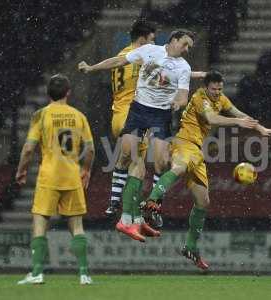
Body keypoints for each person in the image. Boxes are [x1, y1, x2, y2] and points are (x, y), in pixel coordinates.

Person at [141, 71, 271, 269]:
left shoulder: (221, 99)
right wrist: (237, 122)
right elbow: (212, 119)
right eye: (213, 89)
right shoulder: (199, 98)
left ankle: (190, 246)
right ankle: (151, 201)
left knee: (203, 201)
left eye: (220, 89)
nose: (217, 92)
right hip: (184, 142)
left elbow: (240, 114)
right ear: (206, 87)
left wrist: (260, 129)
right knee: (178, 168)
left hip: (197, 152)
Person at [78, 29, 200, 241]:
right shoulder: (149, 51)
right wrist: (91, 68)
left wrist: (177, 104)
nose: (187, 50)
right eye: (185, 44)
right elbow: (118, 61)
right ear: (174, 40)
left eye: (189, 47)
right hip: (138, 110)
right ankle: (121, 207)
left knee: (162, 162)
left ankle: (152, 206)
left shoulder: (183, 67)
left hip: (161, 114)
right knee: (128, 156)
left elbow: (182, 96)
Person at [15, 74, 95, 284]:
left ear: (48, 93)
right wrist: (86, 169)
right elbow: (90, 149)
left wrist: (21, 170)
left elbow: (29, 147)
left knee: (40, 223)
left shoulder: (41, 115)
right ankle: (84, 273)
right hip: (72, 175)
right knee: (76, 226)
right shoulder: (78, 116)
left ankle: (37, 272)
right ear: (68, 92)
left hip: (49, 176)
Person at [104, 20, 160, 239]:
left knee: (134, 165)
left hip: (118, 114)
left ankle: (133, 217)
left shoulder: (122, 55)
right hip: (134, 115)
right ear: (143, 38)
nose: (153, 43)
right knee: (137, 167)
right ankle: (126, 219)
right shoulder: (141, 56)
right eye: (152, 39)